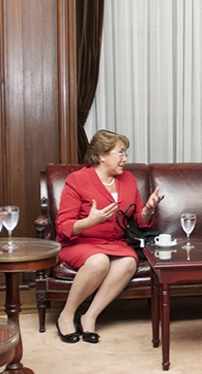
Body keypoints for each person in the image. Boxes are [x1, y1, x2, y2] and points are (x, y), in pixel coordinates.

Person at [54, 130, 164, 344]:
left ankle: (90, 316)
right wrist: (90, 221)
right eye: (120, 153)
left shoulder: (128, 179)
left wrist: (149, 209)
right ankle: (67, 315)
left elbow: (140, 220)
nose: (125, 159)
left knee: (128, 261)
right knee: (98, 261)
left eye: (126, 153)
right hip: (80, 243)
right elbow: (62, 226)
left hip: (114, 243)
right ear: (102, 155)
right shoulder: (77, 180)